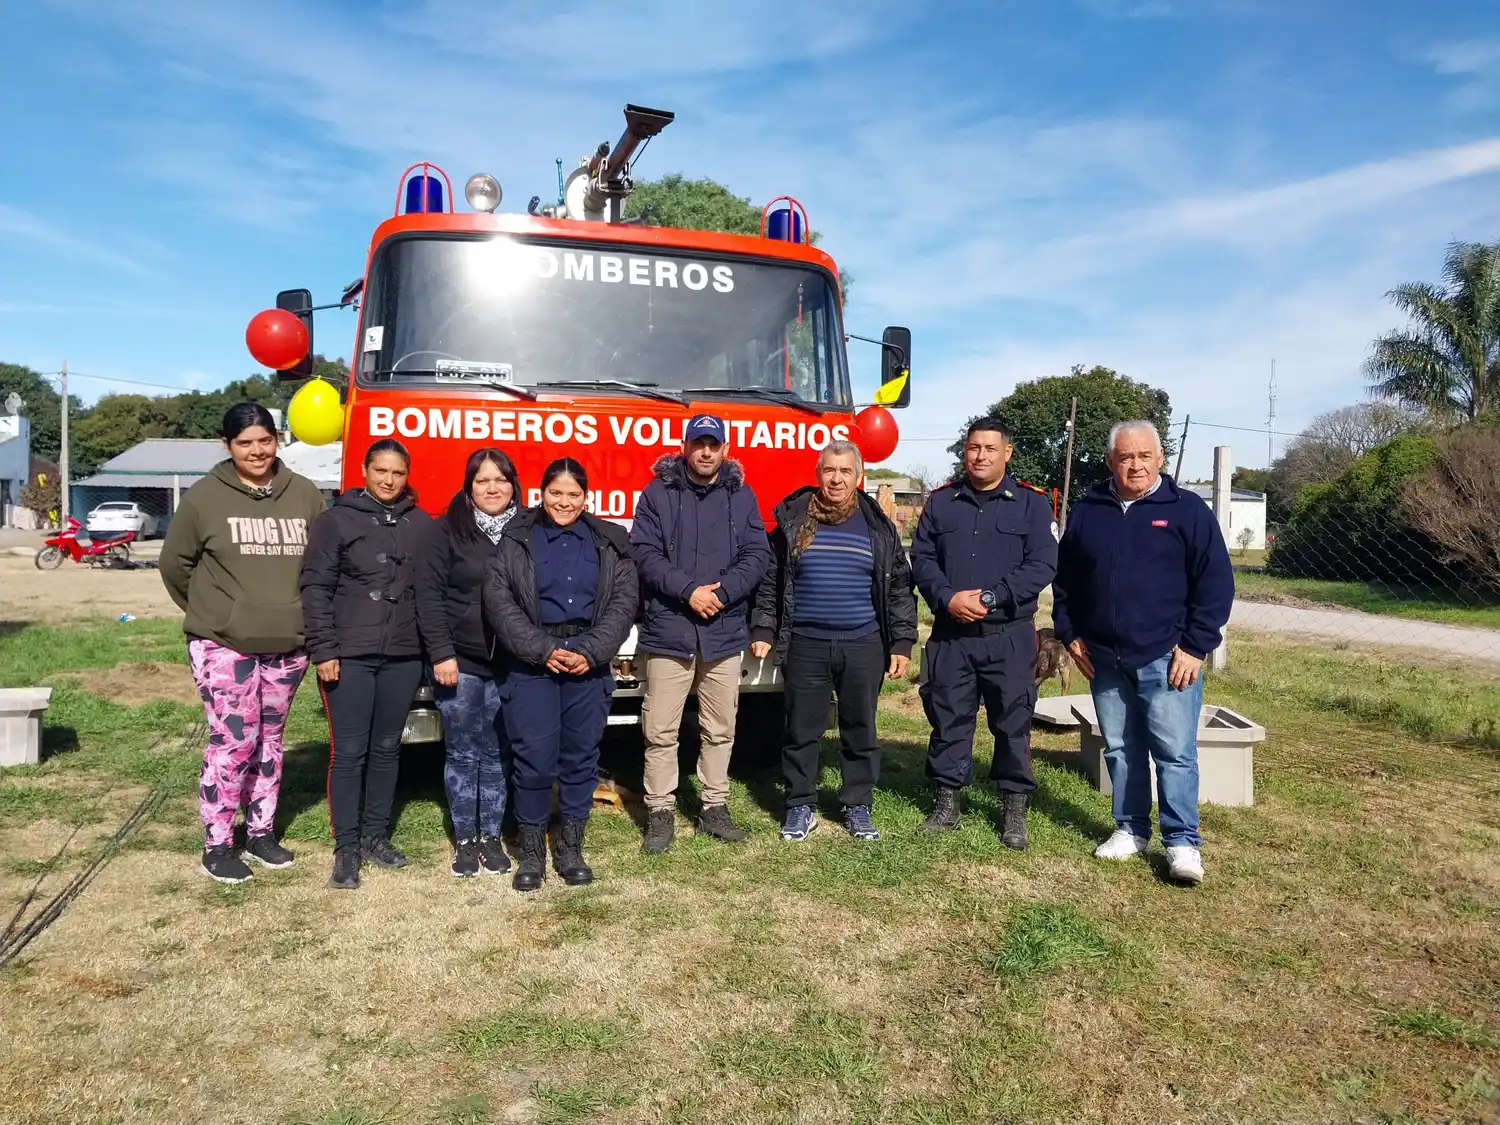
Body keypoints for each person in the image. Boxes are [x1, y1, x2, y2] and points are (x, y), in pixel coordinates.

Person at [1052, 420, 1233, 884]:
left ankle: (1182, 843)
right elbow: (1066, 581)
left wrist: (1195, 647)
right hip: (1102, 657)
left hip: (1166, 656)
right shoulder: (1089, 512)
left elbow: (1215, 585)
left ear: (1160, 460)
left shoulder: (1187, 511)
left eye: (1144, 456)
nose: (1134, 465)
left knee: (1174, 752)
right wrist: (1070, 634)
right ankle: (1131, 829)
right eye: (1125, 457)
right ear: (1111, 461)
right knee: (1120, 748)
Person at [160, 403, 328, 884]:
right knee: (234, 740)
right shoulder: (204, 498)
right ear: (227, 446)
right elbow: (175, 566)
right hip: (222, 643)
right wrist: (214, 613)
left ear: (278, 440)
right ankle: (218, 844)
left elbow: (321, 564)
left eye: (264, 440)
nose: (256, 451)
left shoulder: (305, 494)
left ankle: (260, 833)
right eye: (244, 443)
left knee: (270, 741)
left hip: (287, 644)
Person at [750, 440, 918, 841]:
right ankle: (799, 805)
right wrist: (762, 629)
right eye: (830, 470)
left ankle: (857, 804)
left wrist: (902, 641)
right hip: (806, 642)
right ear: (818, 474)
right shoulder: (794, 519)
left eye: (845, 471)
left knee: (860, 728)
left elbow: (898, 587)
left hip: (864, 643)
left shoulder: (876, 524)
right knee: (800, 730)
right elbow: (772, 582)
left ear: (858, 476)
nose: (837, 478)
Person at [483, 458, 638, 892]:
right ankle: (531, 850)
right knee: (534, 760)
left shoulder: (610, 541)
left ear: (586, 497)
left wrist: (591, 650)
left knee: (579, 760)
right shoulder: (516, 539)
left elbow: (624, 603)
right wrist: (542, 649)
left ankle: (570, 848)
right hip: (532, 663)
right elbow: (498, 602)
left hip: (589, 664)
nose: (564, 502)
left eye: (573, 494)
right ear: (541, 492)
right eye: (556, 493)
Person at [910, 417, 1057, 849]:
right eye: (974, 448)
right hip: (951, 633)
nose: (980, 456)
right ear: (965, 451)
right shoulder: (941, 503)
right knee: (949, 717)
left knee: (1013, 721)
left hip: (1008, 635)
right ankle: (948, 801)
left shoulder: (1031, 504)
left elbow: (1043, 564)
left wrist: (993, 598)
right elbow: (922, 559)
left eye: (990, 449)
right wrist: (947, 597)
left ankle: (1013, 806)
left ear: (1006, 453)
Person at [629, 415, 771, 853]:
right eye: (698, 443)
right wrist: (689, 591)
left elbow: (757, 553)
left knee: (720, 728)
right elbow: (644, 554)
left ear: (724, 449)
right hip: (670, 631)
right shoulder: (657, 494)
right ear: (685, 447)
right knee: (660, 730)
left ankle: (714, 807)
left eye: (714, 444)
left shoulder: (741, 496)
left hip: (723, 633)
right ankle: (659, 811)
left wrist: (723, 594)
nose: (706, 452)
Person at [300, 438, 431, 891]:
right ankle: (346, 847)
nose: (389, 480)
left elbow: (431, 592)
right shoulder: (334, 521)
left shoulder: (421, 523)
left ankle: (376, 836)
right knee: (349, 752)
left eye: (397, 473)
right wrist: (324, 650)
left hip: (402, 655)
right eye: (381, 471)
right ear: (364, 470)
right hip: (348, 655)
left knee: (387, 749)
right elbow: (315, 588)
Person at [416, 447, 521, 878]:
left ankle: (491, 838)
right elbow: (428, 595)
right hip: (458, 661)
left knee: (498, 752)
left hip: (512, 663)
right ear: (469, 486)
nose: (492, 488)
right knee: (463, 752)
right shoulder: (447, 531)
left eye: (500, 479)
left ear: (513, 485)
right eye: (482, 480)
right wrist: (441, 653)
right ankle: (464, 840)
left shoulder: (527, 529)